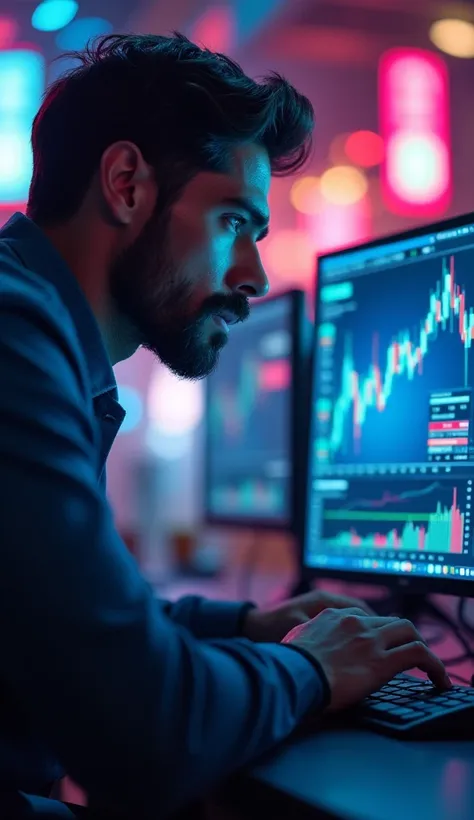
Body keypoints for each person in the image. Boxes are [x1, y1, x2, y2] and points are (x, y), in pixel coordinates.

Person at [0, 33, 449, 819]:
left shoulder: (37, 336)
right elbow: (143, 727)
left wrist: (245, 623)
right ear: (128, 184)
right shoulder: (14, 337)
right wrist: (308, 671)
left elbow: (63, 621)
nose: (254, 277)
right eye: (236, 222)